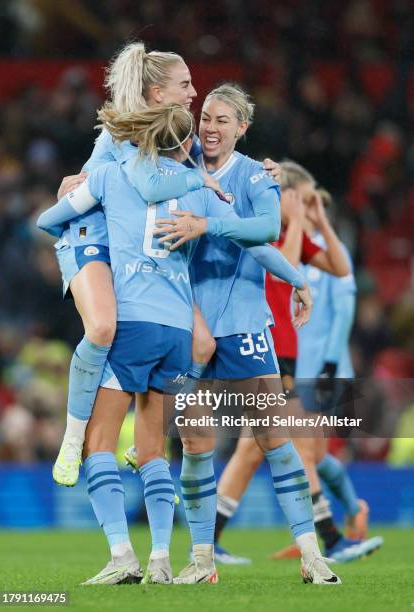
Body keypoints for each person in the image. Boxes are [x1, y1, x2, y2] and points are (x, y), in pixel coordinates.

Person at [38, 102, 310, 585]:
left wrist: (77, 194)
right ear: (185, 143)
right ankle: (162, 559)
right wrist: (297, 279)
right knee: (153, 449)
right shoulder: (199, 189)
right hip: (178, 333)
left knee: (99, 442)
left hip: (133, 325)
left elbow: (48, 220)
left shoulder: (113, 174)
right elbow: (259, 241)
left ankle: (122, 554)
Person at [51, 41, 281, 488]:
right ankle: (74, 436)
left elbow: (214, 171)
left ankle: (144, 448)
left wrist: (262, 172)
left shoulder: (184, 138)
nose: (195, 92)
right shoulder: (119, 132)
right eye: (186, 84)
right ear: (157, 93)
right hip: (93, 241)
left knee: (201, 344)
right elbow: (113, 188)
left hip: (146, 258)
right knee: (102, 328)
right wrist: (66, 196)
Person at [155, 84, 341, 586]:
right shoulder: (178, 167)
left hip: (242, 326)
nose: (210, 127)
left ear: (242, 128)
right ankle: (201, 561)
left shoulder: (256, 176)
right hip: (186, 325)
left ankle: (311, 555)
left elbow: (261, 234)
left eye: (222, 120)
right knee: (195, 443)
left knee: (274, 440)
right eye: (205, 118)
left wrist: (296, 278)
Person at [271, 188, 383, 562]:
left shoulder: (326, 252)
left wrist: (332, 365)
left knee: (304, 453)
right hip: (297, 365)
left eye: (305, 205)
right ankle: (350, 513)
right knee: (313, 454)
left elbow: (344, 311)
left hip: (324, 370)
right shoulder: (290, 245)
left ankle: (324, 536)